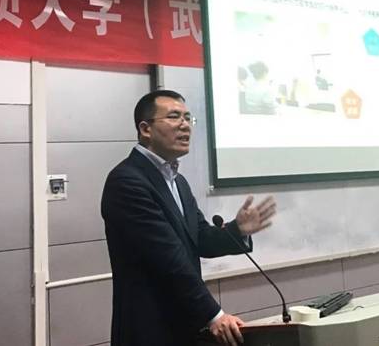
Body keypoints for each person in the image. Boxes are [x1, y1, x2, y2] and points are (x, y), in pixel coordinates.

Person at [101, 89, 276, 346]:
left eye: (187, 118)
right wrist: (214, 315)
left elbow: (200, 237)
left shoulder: (177, 181)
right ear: (145, 129)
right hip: (149, 329)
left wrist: (238, 229)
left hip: (184, 327)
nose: (185, 125)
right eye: (174, 117)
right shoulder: (127, 181)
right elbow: (168, 258)